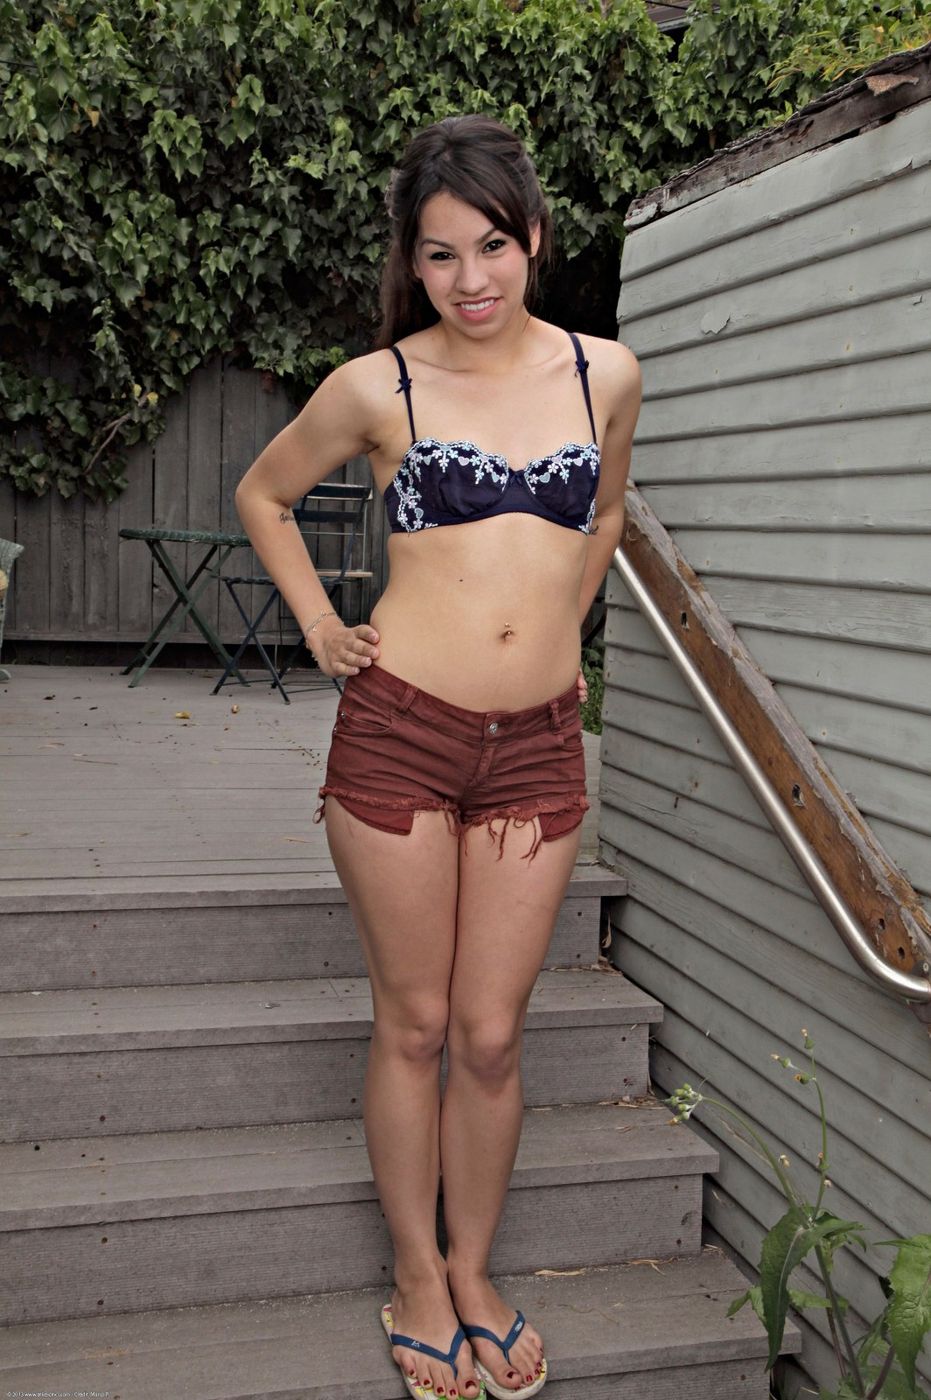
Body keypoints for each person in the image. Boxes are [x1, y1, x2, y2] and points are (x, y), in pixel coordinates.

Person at [234, 113, 641, 1400]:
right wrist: (320, 625)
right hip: (401, 731)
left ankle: (474, 1267)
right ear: (412, 263)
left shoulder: (605, 374)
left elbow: (606, 511)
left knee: (491, 1032)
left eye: (492, 246)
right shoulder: (379, 386)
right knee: (413, 1022)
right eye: (440, 254)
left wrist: (560, 626)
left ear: (535, 238)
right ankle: (416, 1273)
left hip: (538, 747)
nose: (471, 278)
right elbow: (262, 493)